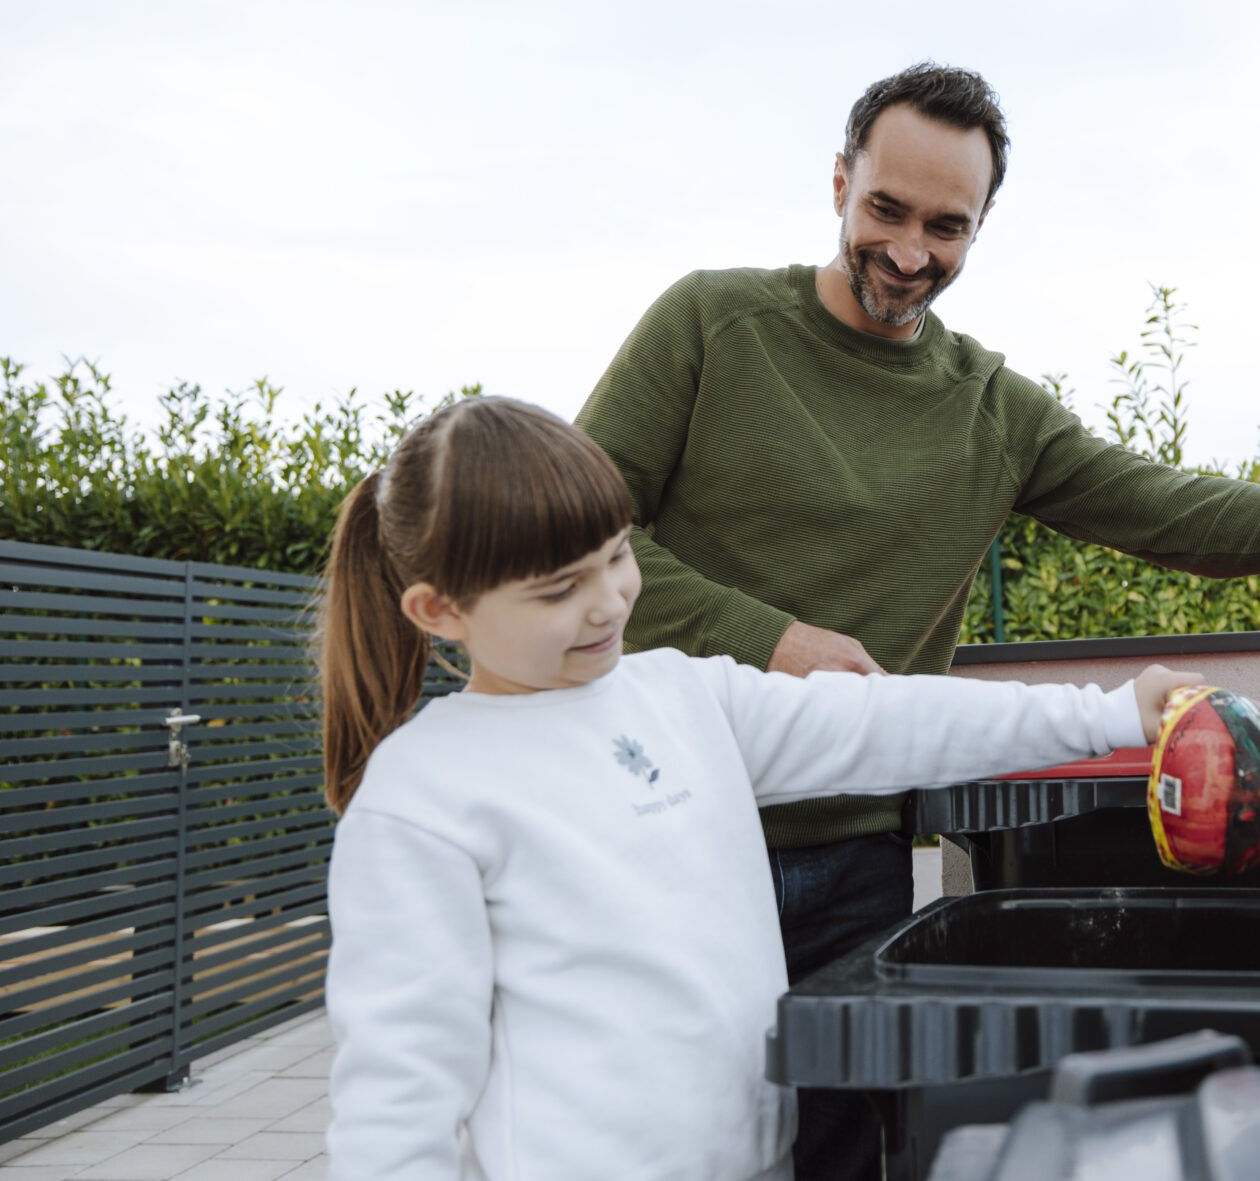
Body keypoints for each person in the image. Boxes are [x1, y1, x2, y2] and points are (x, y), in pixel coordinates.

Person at [574, 62, 1260, 1179]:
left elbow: (1173, 510)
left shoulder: (993, 407)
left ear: (981, 226)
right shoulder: (710, 324)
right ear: (839, 181)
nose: (906, 252)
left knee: (842, 1144)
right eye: (884, 210)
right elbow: (571, 539)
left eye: (946, 226)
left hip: (852, 851)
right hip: (669, 821)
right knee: (675, 1142)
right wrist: (769, 639)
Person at [316, 396, 1201, 1181]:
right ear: (439, 611)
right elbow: (398, 1091)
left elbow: (888, 722)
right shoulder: (421, 796)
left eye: (616, 555)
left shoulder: (683, 694)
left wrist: (1115, 712)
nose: (607, 602)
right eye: (558, 589)